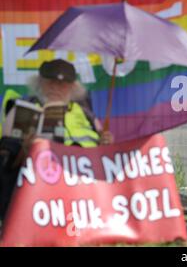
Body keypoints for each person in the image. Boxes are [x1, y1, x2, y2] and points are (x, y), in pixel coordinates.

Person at [0, 59, 114, 222]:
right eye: (50, 82)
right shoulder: (22, 108)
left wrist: (107, 144)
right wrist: (26, 150)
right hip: (39, 182)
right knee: (10, 147)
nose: (55, 87)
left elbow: (105, 153)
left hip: (84, 182)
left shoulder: (86, 114)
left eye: (62, 84)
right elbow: (5, 162)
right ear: (39, 83)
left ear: (73, 87)